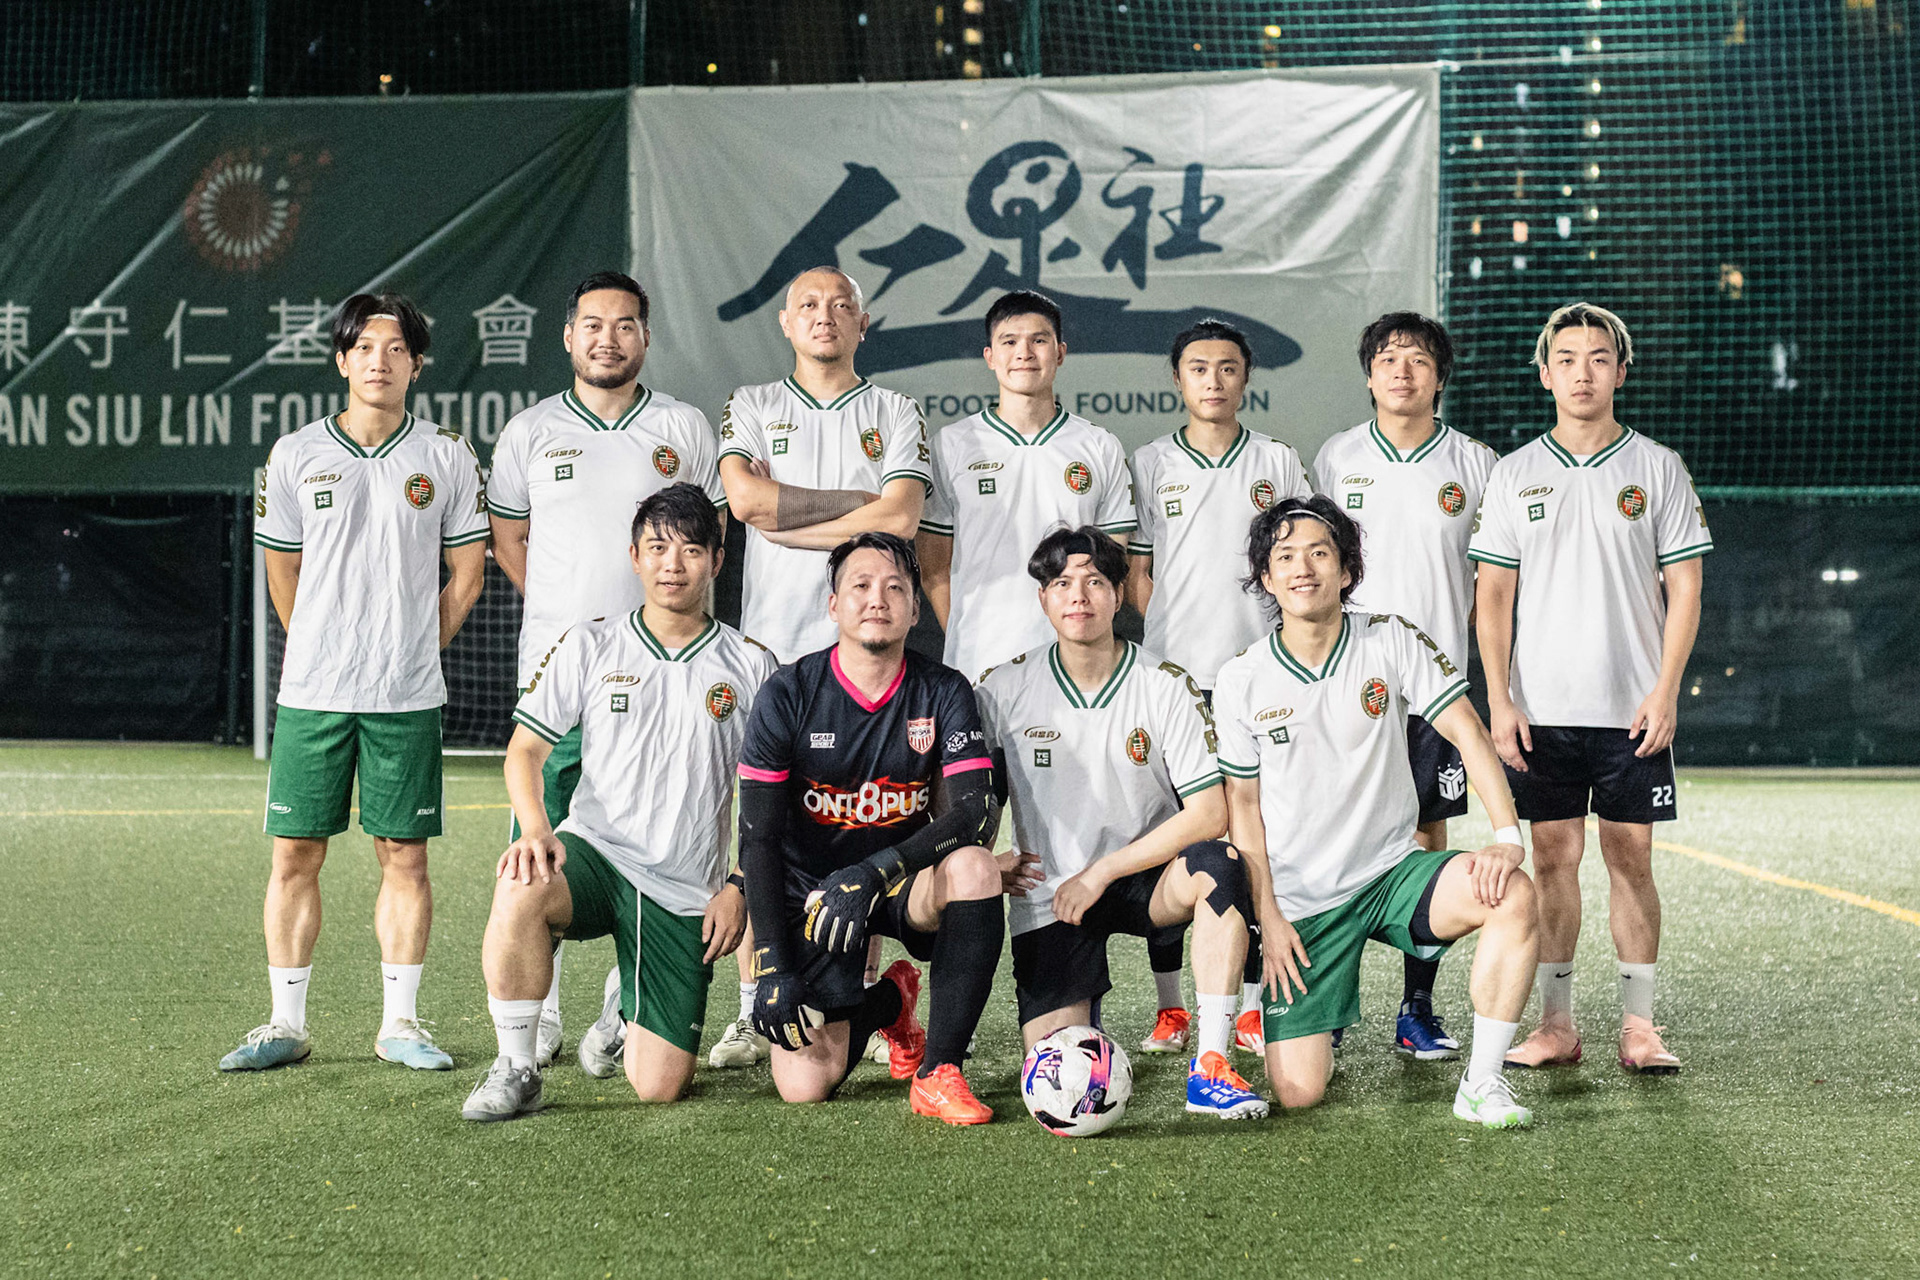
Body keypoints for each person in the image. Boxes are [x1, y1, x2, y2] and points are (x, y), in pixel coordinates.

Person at [222, 294, 488, 1073]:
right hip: (313, 694)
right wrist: (321, 647)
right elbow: (282, 570)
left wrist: (412, 649)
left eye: (396, 348)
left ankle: (400, 1023)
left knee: (405, 858)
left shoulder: (446, 455)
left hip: (406, 696)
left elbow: (468, 575)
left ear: (417, 364)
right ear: (341, 360)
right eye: (364, 347)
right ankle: (286, 1023)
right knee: (294, 855)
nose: (380, 361)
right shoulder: (295, 453)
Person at [1214, 496, 1541, 1128]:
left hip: (1393, 872)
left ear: (1346, 571)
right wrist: (1269, 916)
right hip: (1305, 901)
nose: (1303, 568)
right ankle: (1317, 1024)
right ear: (1266, 579)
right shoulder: (1241, 679)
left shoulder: (1390, 639)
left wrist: (1507, 836)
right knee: (1300, 1092)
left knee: (1513, 894)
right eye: (1285, 557)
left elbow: (1468, 731)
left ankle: (1482, 1082)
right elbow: (1243, 810)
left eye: (1319, 553)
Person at [462, 485, 775, 1121]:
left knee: (659, 1086)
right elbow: (524, 752)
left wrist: (739, 883)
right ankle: (516, 1066)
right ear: (634, 557)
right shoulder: (590, 644)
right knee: (520, 882)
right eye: (657, 548)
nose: (672, 565)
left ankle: (624, 1010)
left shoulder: (751, 664)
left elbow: (771, 799)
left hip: (685, 889)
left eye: (691, 550)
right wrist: (535, 830)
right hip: (598, 856)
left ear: (717, 561)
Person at [487, 270, 727, 1076]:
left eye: (625, 325)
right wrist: (577, 632)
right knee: (541, 844)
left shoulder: (683, 426)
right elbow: (511, 542)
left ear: (645, 338)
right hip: (565, 677)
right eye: (592, 325)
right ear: (568, 336)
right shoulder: (529, 431)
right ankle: (541, 1016)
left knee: (661, 833)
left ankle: (625, 1007)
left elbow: (707, 536)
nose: (608, 339)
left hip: (665, 680)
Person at [1469, 302, 1710, 1074]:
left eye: (1599, 358)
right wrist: (1500, 699)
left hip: (1631, 707)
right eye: (1567, 359)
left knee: (1631, 858)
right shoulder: (1514, 473)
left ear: (1621, 372)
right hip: (1541, 711)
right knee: (1552, 858)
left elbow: (1685, 588)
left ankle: (1640, 1027)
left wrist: (1666, 690)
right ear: (1545, 375)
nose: (1583, 372)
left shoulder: (1658, 467)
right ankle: (1557, 1024)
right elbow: (1492, 596)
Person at [715, 267, 931, 1070]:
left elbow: (901, 516)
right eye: (808, 304)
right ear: (784, 321)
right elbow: (746, 504)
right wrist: (855, 505)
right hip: (773, 651)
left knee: (859, 822)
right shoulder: (751, 403)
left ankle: (861, 993)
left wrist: (793, 513)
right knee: (762, 831)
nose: (825, 316)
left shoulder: (895, 410)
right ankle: (752, 1004)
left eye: (842, 305)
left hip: (867, 657)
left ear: (863, 324)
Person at [977, 527, 1267, 1119]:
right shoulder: (1003, 689)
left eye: (1094, 582)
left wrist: (1103, 871)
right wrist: (986, 859)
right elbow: (978, 800)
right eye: (1062, 583)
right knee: (1057, 1074)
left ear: (1117, 595)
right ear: (1043, 598)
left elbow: (1210, 813)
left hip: (1146, 880)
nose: (1078, 596)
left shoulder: (1165, 684)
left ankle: (1211, 1063)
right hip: (1054, 893)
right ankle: (1083, 1010)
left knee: (1219, 864)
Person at [736, 532, 1004, 1124]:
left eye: (894, 587)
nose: (877, 598)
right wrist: (771, 964)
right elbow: (758, 838)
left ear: (914, 608)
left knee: (976, 867)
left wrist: (876, 871)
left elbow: (976, 812)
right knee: (804, 1086)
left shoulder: (944, 689)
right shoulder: (788, 692)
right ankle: (890, 1000)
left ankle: (938, 1071)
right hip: (815, 893)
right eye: (860, 585)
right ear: (834, 605)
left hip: (899, 878)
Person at [1309, 311, 1499, 1062]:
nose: (1402, 371)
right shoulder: (1336, 457)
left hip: (1433, 695)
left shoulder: (1477, 463)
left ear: (1439, 376)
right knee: (1333, 838)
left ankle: (1416, 1007)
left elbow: (1492, 582)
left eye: (1418, 359)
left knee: (1426, 837)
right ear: (1368, 375)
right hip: (1344, 685)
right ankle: (1328, 1002)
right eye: (1388, 358)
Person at [1124, 318, 1310, 1054]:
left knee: (1256, 840)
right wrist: (1171, 641)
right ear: (1178, 380)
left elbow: (1301, 559)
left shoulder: (1278, 461)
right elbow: (1138, 572)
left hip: (1258, 684)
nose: (1213, 380)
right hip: (1174, 686)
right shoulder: (1148, 463)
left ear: (1245, 378)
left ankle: (1255, 1003)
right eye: (1198, 368)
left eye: (1227, 367)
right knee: (1173, 838)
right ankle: (1171, 1006)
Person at [917, 289, 1137, 685]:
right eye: (1009, 342)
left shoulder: (1099, 446)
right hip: (980, 662)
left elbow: (1112, 565)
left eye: (1039, 340)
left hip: (1075, 661)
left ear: (1060, 353)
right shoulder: (951, 446)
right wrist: (968, 636)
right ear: (989, 357)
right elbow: (933, 567)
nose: (1024, 353)